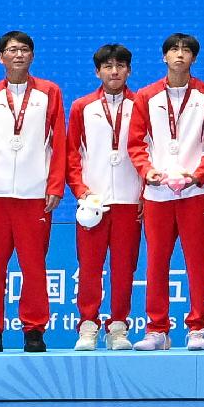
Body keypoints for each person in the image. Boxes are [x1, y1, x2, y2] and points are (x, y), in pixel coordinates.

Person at [0, 31, 66, 355]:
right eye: (11, 50)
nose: (18, 55)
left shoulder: (50, 92)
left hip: (35, 195)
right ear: (0, 57)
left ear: (32, 56)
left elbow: (58, 142)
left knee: (34, 266)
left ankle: (34, 330)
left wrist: (55, 185)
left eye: (24, 50)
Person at [129, 32, 204, 351]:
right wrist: (148, 171)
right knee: (156, 261)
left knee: (198, 261)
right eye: (173, 50)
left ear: (194, 58)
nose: (179, 55)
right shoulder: (146, 96)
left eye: (186, 51)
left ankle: (197, 327)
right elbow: (136, 142)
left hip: (197, 192)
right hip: (157, 194)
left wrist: (198, 174)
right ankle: (157, 329)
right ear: (163, 57)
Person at [66, 45, 147, 351]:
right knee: (89, 265)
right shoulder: (81, 107)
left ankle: (118, 326)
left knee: (125, 267)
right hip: (93, 202)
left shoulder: (143, 104)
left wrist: (144, 193)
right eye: (108, 66)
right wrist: (81, 191)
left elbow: (149, 150)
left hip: (129, 199)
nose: (114, 72)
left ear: (129, 70)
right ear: (97, 71)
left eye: (121, 66)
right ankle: (88, 325)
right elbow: (71, 154)